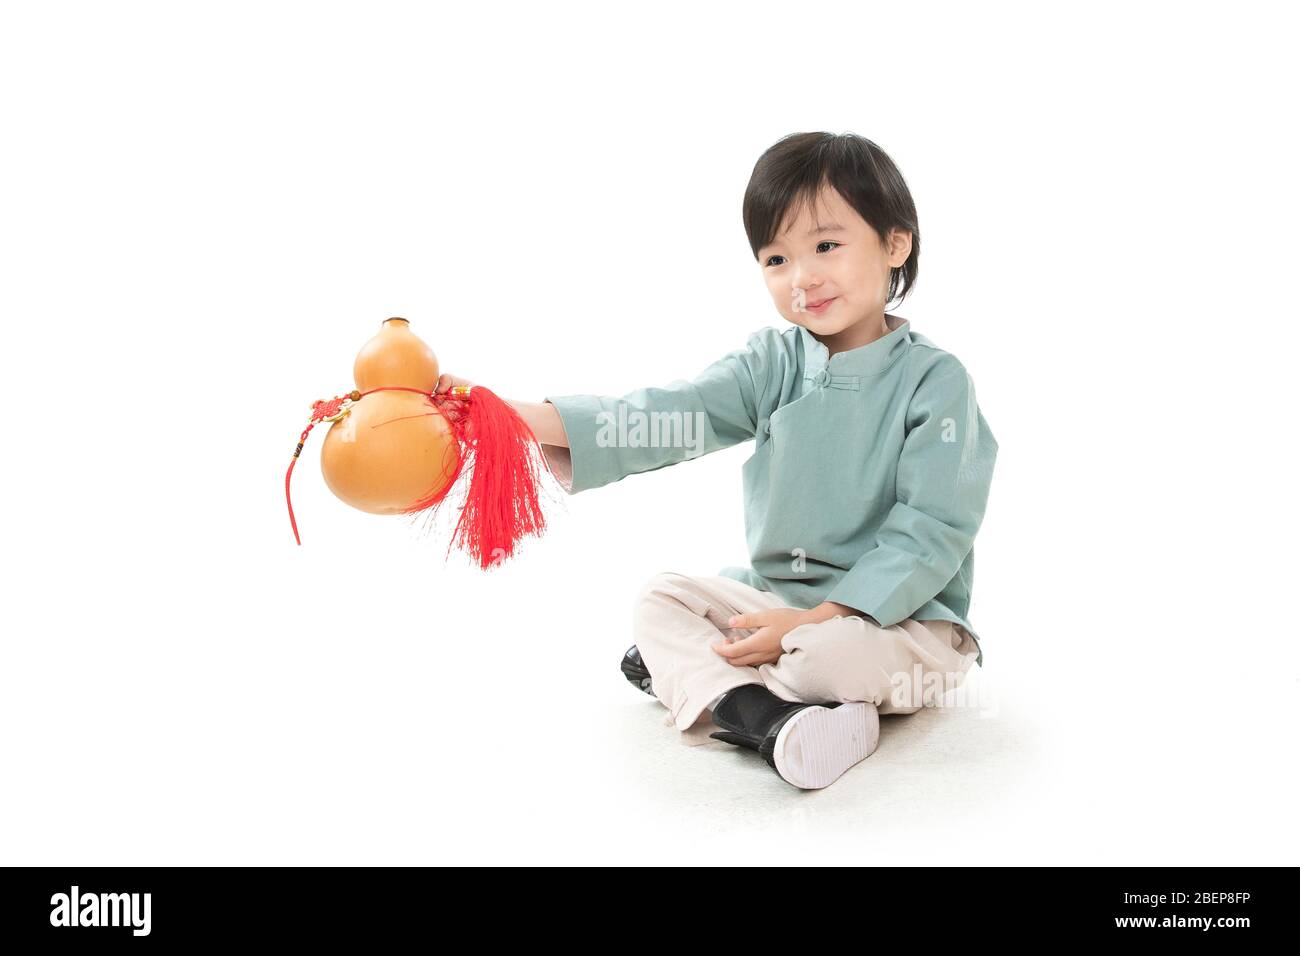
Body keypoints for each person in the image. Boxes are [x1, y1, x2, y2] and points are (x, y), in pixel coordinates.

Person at [434, 131, 998, 790]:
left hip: (899, 627)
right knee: (661, 600)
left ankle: (730, 684)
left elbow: (930, 533)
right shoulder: (771, 363)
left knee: (825, 658)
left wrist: (812, 621)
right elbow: (662, 417)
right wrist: (509, 414)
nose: (802, 278)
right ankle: (773, 719)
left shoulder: (937, 382)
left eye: (825, 246)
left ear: (894, 244)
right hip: (777, 603)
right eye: (776, 259)